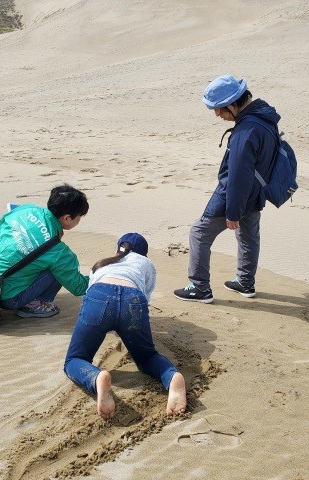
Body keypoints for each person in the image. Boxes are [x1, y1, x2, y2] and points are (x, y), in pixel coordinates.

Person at [174, 74, 282, 303]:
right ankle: (245, 282)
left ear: (233, 104)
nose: (217, 115)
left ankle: (199, 287)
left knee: (199, 234)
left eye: (220, 109)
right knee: (248, 237)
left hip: (233, 195)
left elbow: (238, 176)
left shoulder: (246, 131)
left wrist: (233, 211)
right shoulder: (266, 119)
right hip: (256, 192)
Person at [63, 233, 187, 419]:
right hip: (133, 299)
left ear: (117, 250)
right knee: (147, 357)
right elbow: (145, 298)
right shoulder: (147, 265)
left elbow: (90, 295)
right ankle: (171, 377)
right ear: (144, 255)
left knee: (74, 359)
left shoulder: (102, 263)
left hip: (98, 297)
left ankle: (96, 378)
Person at [0, 184, 90, 318]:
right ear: (67, 218)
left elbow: (1, 225)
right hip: (5, 297)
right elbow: (79, 287)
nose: (79, 220)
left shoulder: (27, 209)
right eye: (79, 217)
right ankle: (33, 305)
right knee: (57, 269)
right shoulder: (57, 251)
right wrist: (104, 276)